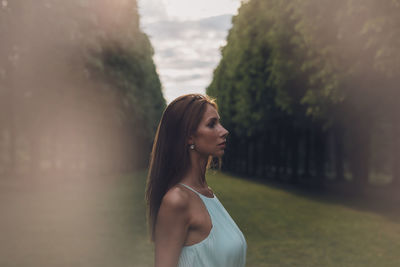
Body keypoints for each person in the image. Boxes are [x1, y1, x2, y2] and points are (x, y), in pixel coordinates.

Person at [145, 94, 247, 267]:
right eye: (211, 124)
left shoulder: (208, 194)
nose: (224, 131)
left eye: (219, 123)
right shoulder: (177, 201)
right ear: (189, 137)